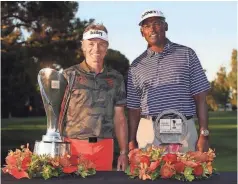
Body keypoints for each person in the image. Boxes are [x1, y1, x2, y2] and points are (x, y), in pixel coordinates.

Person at [127, 9, 210, 153]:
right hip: (149, 131)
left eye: (156, 23)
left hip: (183, 128)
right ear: (142, 32)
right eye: (146, 26)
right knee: (149, 173)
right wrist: (131, 141)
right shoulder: (136, 65)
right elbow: (134, 109)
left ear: (165, 26)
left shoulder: (187, 54)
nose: (152, 29)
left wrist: (204, 133)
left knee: (185, 173)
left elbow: (200, 98)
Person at [60, 23, 128, 171]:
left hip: (104, 147)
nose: (96, 49)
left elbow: (120, 118)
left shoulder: (116, 78)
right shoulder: (68, 75)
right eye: (91, 44)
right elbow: (57, 115)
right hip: (73, 147)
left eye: (101, 44)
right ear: (83, 46)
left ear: (107, 47)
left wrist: (123, 152)